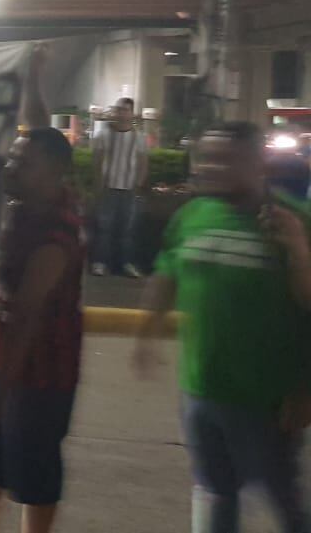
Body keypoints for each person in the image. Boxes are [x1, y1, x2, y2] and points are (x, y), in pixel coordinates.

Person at [135, 122, 311, 533]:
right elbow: (166, 275)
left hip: (266, 402)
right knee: (215, 493)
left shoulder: (294, 220)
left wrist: (298, 250)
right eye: (205, 158)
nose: (210, 168)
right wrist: (146, 334)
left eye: (225, 160)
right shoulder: (191, 215)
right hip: (201, 391)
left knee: (284, 501)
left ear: (258, 164)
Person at [0, 47, 83, 533]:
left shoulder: (54, 236)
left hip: (38, 375)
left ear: (52, 175)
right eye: (13, 159)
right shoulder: (30, 197)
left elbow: (27, 316)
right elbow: (37, 130)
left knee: (33, 472)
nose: (11, 167)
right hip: (2, 361)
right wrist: (34, 77)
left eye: (23, 164)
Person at [91, 98, 149, 277]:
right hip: (108, 188)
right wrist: (98, 185)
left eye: (125, 110)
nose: (120, 113)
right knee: (104, 229)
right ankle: (101, 263)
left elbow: (142, 162)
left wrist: (139, 184)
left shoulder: (139, 137)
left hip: (129, 190)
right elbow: (97, 161)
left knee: (128, 231)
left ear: (132, 113)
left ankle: (126, 263)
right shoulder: (102, 135)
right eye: (118, 109)